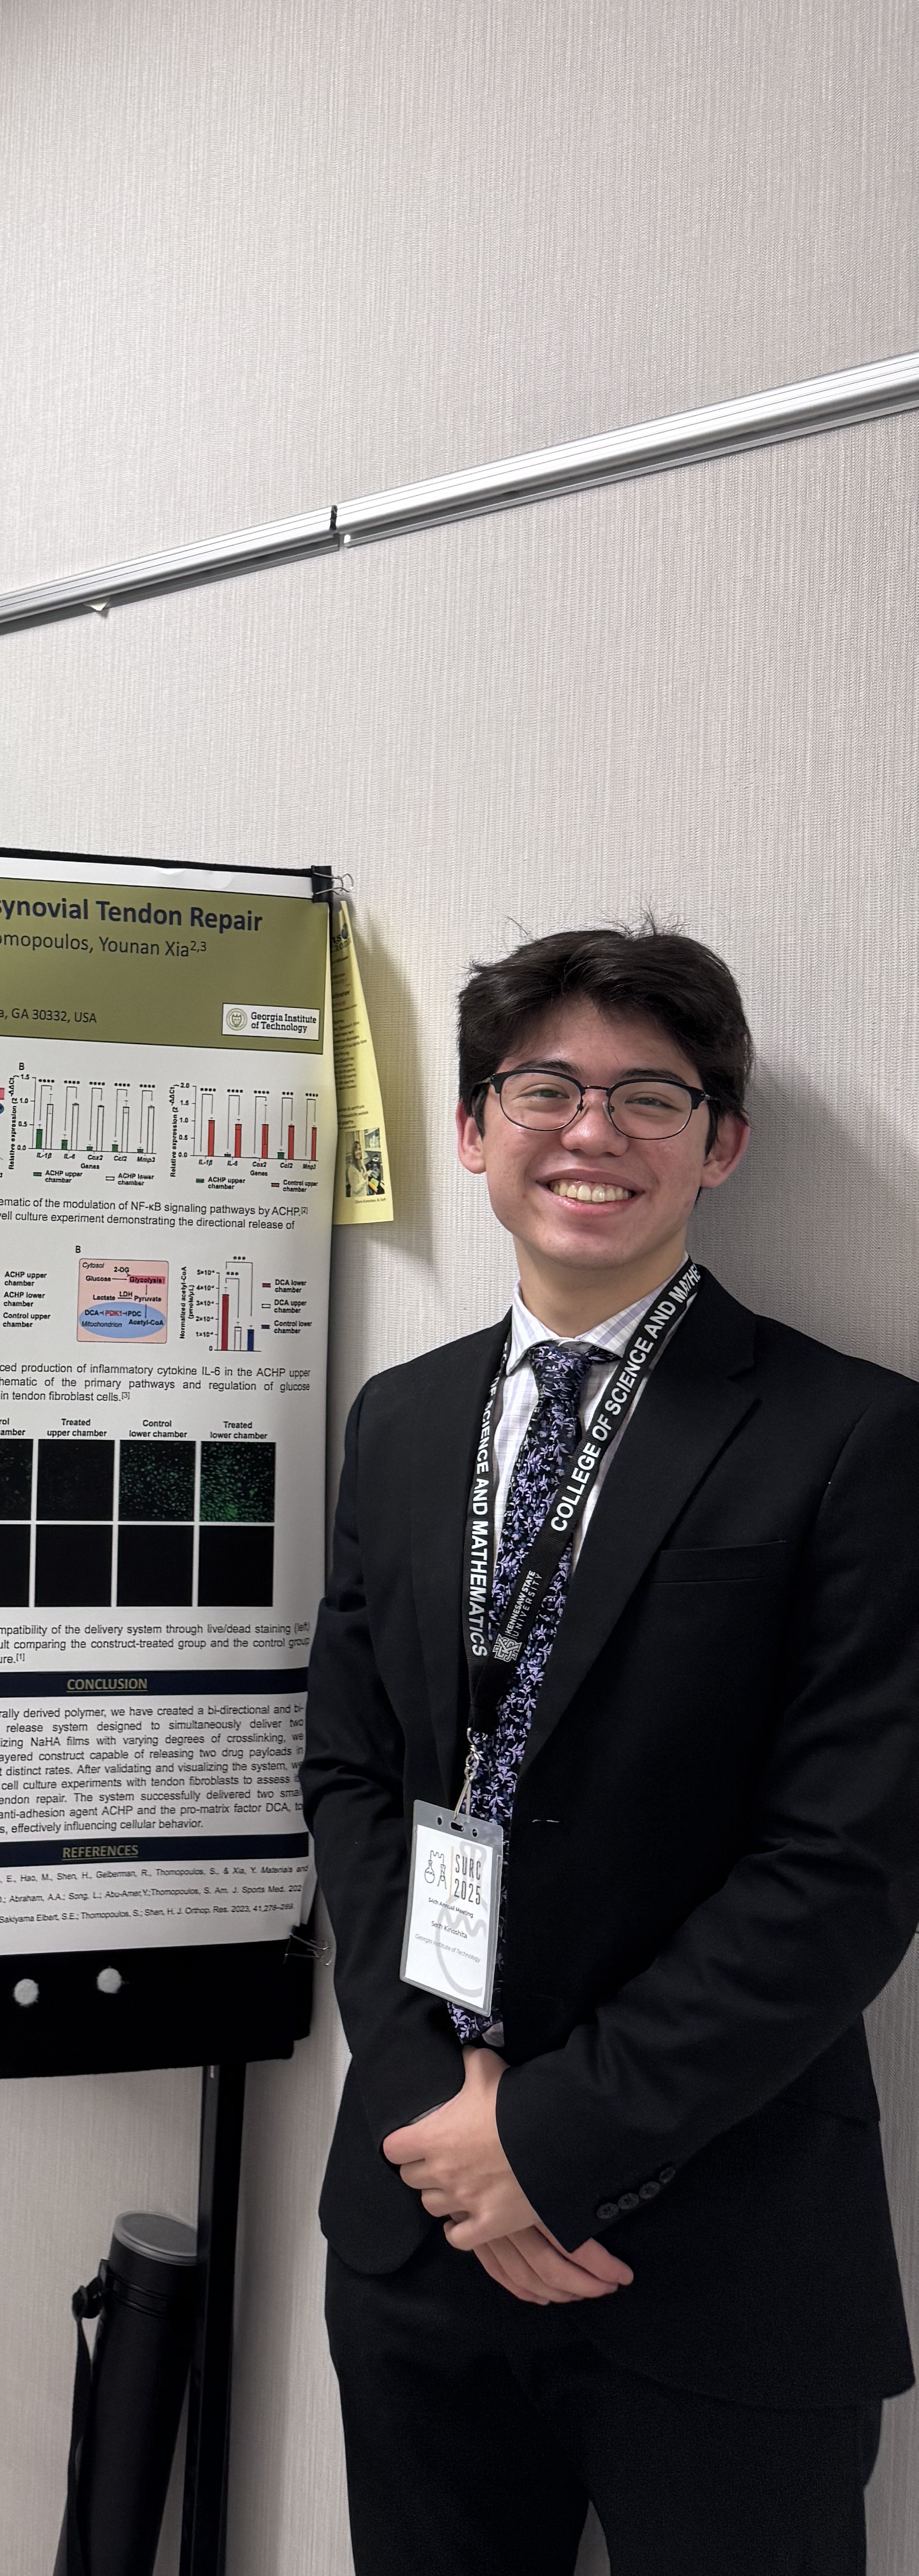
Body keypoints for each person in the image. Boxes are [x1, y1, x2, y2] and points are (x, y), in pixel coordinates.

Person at [302, 923, 919, 2575]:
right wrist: (445, 2116)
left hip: (716, 2241)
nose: (594, 1132)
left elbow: (842, 1868)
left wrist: (551, 2144)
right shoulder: (405, 1419)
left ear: (720, 1144)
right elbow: (355, 1779)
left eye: (652, 1096)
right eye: (547, 1088)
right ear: (471, 1128)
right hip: (419, 2214)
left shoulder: (850, 1438)